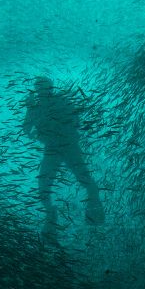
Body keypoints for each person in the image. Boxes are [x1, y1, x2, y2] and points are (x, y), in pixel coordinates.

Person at [21, 76, 104, 232]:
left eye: (44, 87)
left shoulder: (61, 101)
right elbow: (26, 129)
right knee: (43, 185)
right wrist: (30, 109)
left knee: (84, 178)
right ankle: (50, 215)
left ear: (50, 88)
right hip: (51, 149)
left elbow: (75, 122)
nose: (41, 90)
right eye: (39, 87)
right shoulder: (35, 107)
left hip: (69, 147)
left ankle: (95, 211)